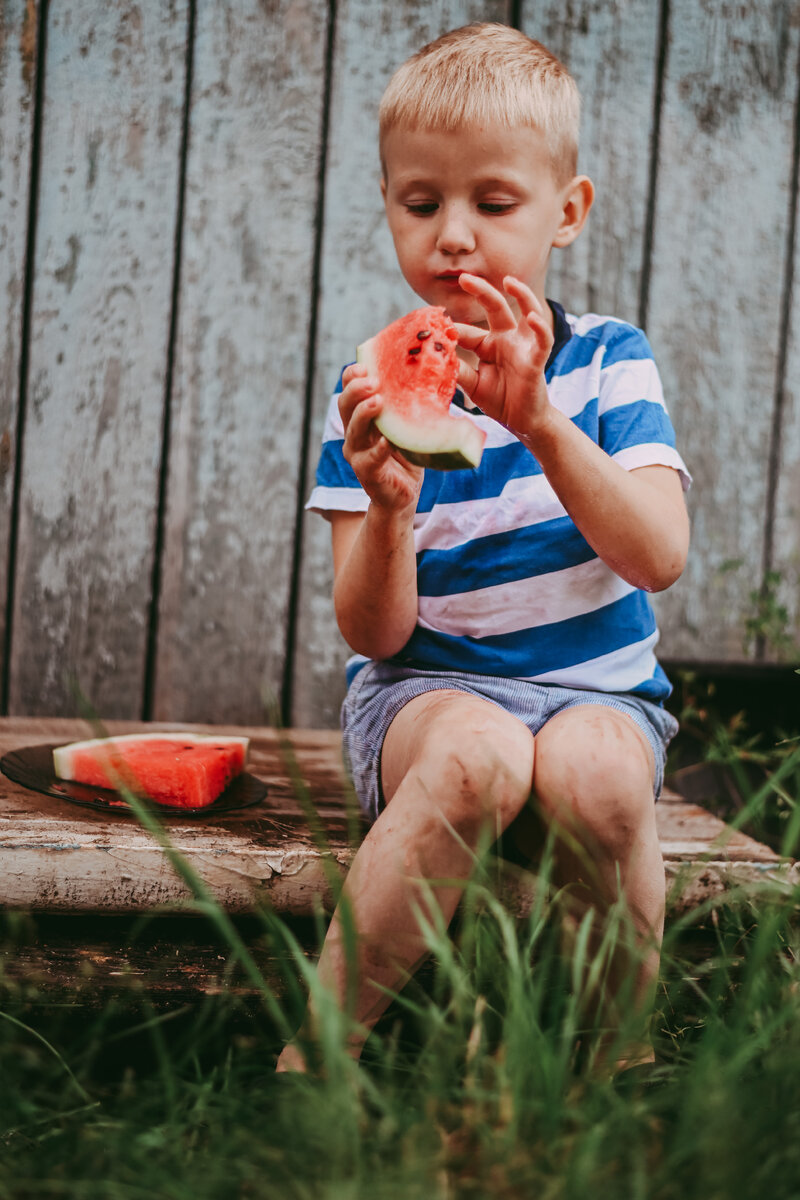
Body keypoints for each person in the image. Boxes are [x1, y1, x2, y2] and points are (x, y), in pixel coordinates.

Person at [277, 22, 690, 1080]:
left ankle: (614, 1067)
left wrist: (544, 425)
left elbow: (655, 558)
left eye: (490, 204)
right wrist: (383, 510)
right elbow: (372, 631)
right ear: (389, 210)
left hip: (599, 695)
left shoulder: (608, 364)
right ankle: (316, 1058)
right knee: (480, 757)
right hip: (427, 699)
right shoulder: (371, 386)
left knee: (596, 773)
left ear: (566, 212)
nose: (452, 236)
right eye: (421, 204)